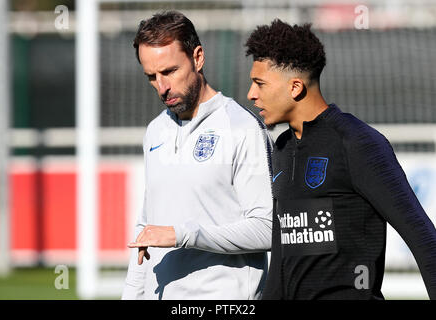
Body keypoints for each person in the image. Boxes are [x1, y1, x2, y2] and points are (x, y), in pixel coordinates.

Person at [245, 19, 436, 300]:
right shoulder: (282, 148)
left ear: (295, 87)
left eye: (260, 84)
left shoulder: (357, 142)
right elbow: (282, 258)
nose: (251, 94)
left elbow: (422, 237)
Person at [122, 11, 273, 300]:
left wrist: (184, 235)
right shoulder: (155, 131)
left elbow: (267, 229)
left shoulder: (241, 128)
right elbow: (146, 229)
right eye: (151, 77)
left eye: (169, 72)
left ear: (198, 57)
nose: (162, 87)